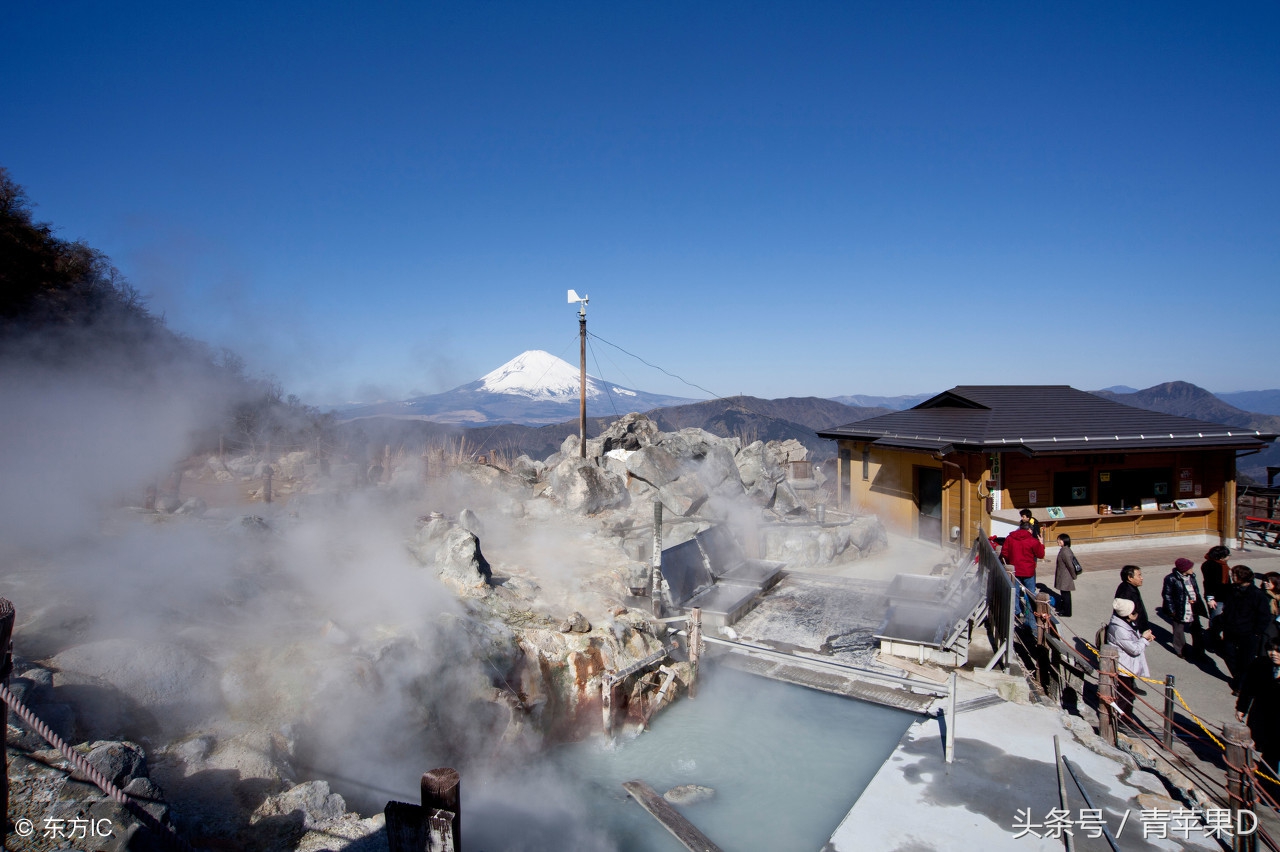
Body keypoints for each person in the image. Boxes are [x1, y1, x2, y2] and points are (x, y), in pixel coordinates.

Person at [1235, 640, 1280, 801]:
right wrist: (1241, 708)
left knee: (1272, 758)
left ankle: (1268, 793)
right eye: (1271, 650)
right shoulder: (1261, 664)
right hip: (1263, 719)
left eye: (1278, 651)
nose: (1274, 654)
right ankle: (1266, 792)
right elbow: (1248, 688)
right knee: (1268, 756)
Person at [1217, 565, 1273, 693]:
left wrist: (1256, 632)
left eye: (1235, 575)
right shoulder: (1231, 590)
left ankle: (1241, 686)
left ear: (1243, 576)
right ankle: (1239, 678)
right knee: (1229, 655)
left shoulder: (1257, 595)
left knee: (1246, 661)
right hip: (1230, 630)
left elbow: (1264, 616)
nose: (1232, 577)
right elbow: (1227, 609)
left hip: (1248, 633)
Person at [1107, 598, 1151, 719]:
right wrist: (1144, 639)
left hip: (1126, 666)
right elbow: (1134, 649)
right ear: (1129, 614)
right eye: (1135, 612)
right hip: (1123, 667)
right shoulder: (1120, 629)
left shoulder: (1124, 624)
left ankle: (1126, 718)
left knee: (1128, 693)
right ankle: (1120, 720)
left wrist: (1142, 639)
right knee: (1124, 695)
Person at [1161, 557, 1208, 661]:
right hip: (1179, 608)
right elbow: (1167, 595)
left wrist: (1195, 601)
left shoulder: (1192, 576)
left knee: (1197, 631)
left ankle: (1199, 652)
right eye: (1190, 567)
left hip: (1193, 608)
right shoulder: (1171, 578)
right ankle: (1181, 651)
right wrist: (1171, 611)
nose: (1192, 569)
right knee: (1178, 631)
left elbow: (1195, 591)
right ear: (1183, 569)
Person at [1001, 520, 1045, 626]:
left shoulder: (1010, 538)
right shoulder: (1032, 541)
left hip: (1015, 570)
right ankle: (1030, 619)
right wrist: (1041, 543)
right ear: (1029, 529)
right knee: (1030, 595)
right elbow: (1040, 554)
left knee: (1014, 592)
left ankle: (1016, 613)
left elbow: (1004, 552)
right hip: (1028, 571)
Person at [1114, 565, 1154, 639]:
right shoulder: (1127, 593)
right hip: (1131, 630)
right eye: (1139, 575)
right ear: (1130, 578)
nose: (1141, 578)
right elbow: (1131, 613)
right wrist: (1144, 630)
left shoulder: (1129, 587)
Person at [1201, 545, 1231, 619]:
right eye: (1228, 555)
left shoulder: (1222, 564)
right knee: (1216, 618)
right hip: (1216, 598)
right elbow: (1208, 583)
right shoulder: (1211, 566)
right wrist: (1210, 599)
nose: (1229, 557)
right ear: (1222, 557)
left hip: (1224, 596)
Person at [1052, 533, 1077, 617]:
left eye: (1059, 540)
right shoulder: (1064, 550)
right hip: (1064, 575)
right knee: (1064, 594)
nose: (1058, 541)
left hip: (1065, 576)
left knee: (1066, 595)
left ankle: (1066, 611)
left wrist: (1073, 575)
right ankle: (1064, 609)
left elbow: (1070, 565)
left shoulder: (1065, 551)